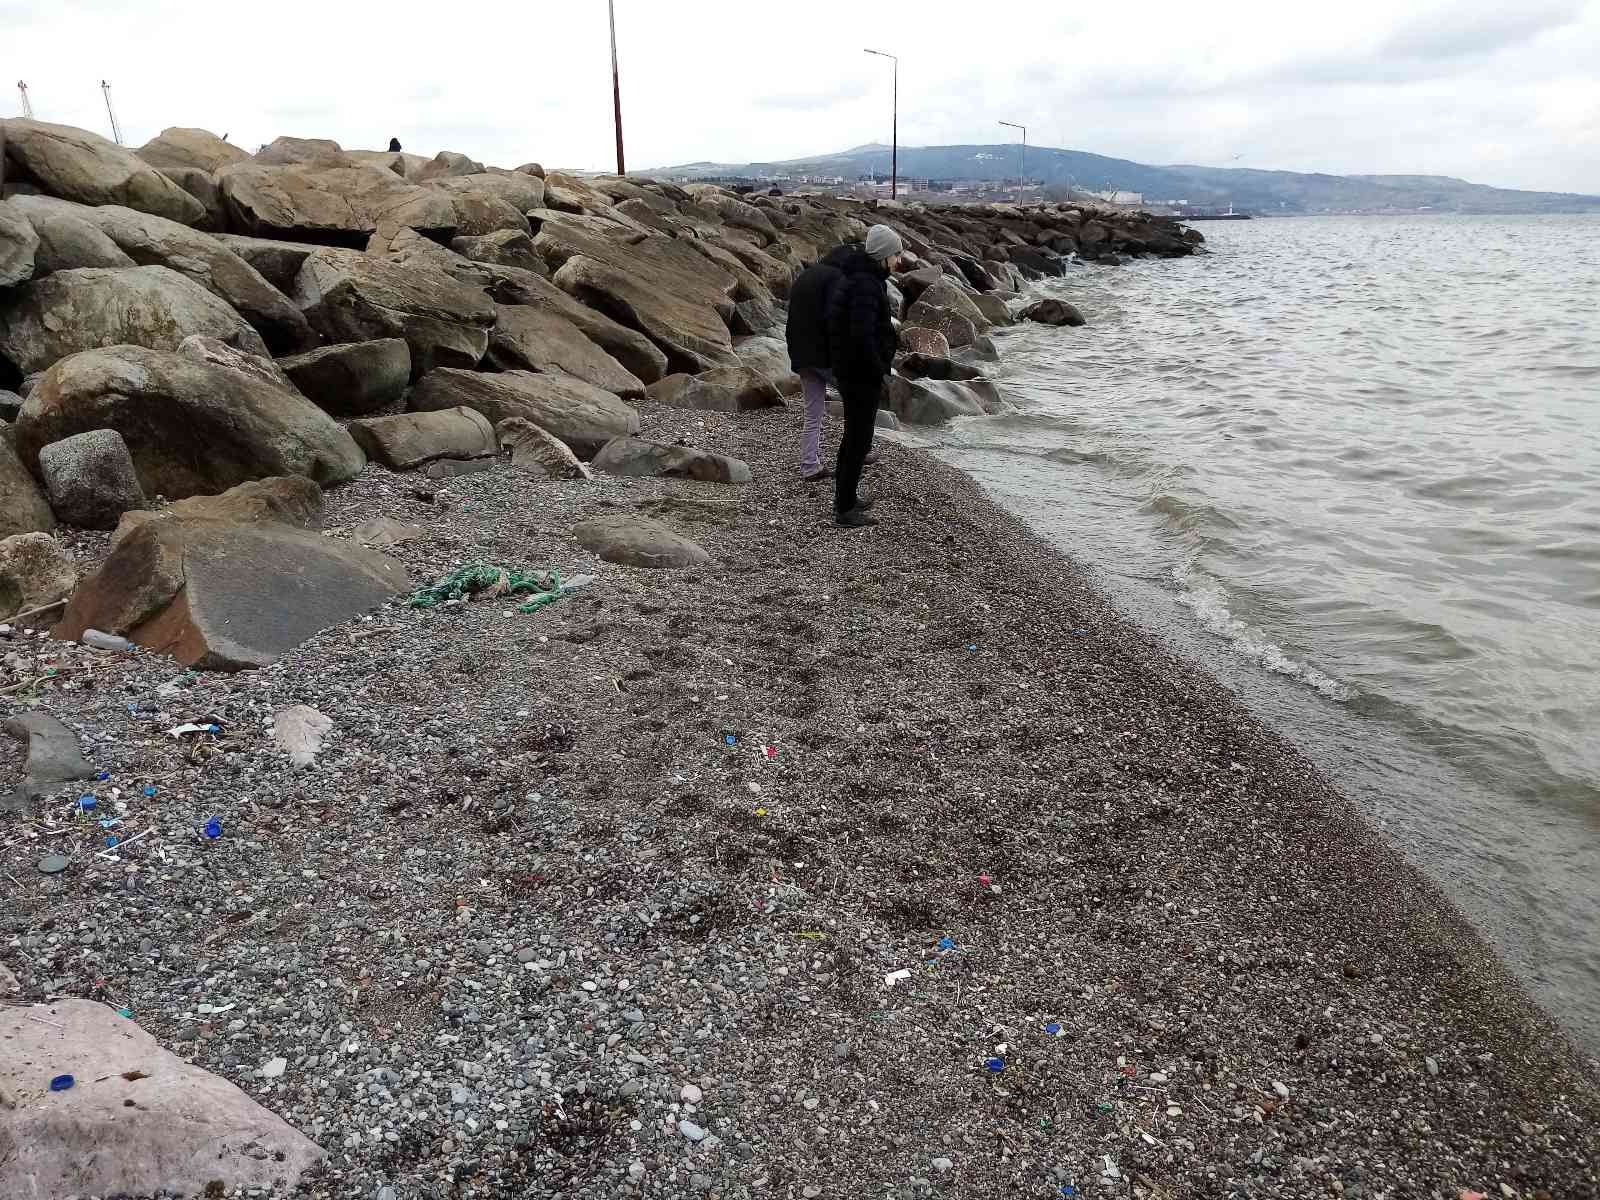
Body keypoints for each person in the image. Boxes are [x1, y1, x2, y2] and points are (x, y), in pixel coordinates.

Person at [825, 224, 902, 527]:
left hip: (851, 371)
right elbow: (861, 335)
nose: (899, 260)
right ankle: (845, 508)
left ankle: (846, 497)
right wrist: (878, 369)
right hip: (859, 374)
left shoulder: (862, 278)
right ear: (882, 255)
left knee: (855, 437)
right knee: (858, 439)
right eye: (896, 254)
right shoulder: (866, 285)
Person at [784, 242, 858, 482]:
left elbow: (792, 318)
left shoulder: (806, 276)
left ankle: (810, 466)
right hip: (824, 357)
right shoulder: (837, 278)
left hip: (802, 355)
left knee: (813, 413)